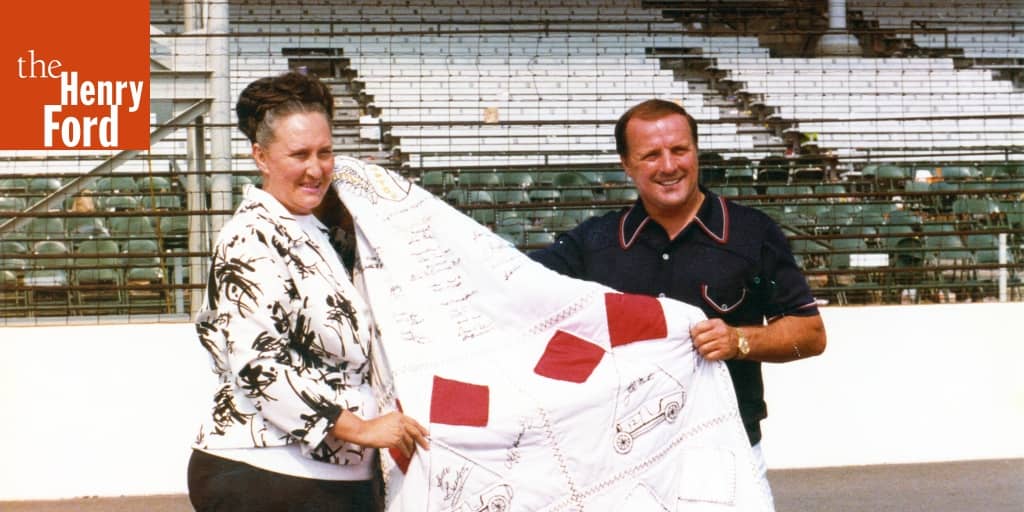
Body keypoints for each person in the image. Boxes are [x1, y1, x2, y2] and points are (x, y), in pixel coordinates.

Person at [529, 99, 826, 503]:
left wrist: (739, 341)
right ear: (626, 165)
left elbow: (809, 336)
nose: (669, 166)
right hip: (621, 468)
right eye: (651, 154)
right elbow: (511, 288)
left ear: (696, 152)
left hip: (725, 458)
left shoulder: (753, 233)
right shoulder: (592, 243)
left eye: (679, 150)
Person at [187, 71, 428, 512]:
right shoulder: (249, 238)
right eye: (299, 154)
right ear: (260, 157)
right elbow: (259, 365)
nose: (316, 168)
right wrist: (360, 428)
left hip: (327, 478)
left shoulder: (320, 230)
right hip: (270, 477)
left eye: (325, 152)